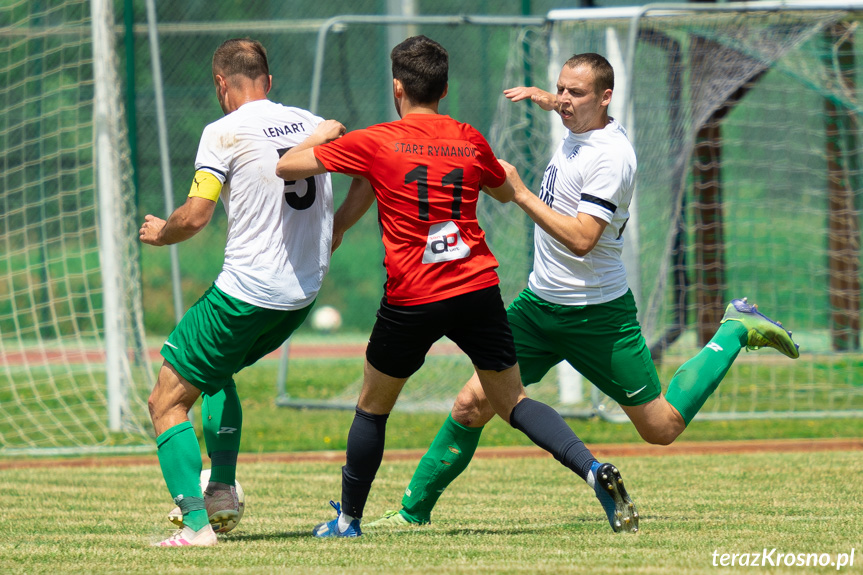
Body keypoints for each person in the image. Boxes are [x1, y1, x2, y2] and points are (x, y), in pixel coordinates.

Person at [362, 52, 801, 533]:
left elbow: (581, 238)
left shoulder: (610, 157)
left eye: (577, 93)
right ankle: (412, 512)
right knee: (471, 404)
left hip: (598, 315)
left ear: (607, 97)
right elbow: (570, 108)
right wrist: (551, 100)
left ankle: (734, 330)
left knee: (661, 428)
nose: (565, 101)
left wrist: (521, 193)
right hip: (537, 309)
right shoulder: (580, 125)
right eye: (562, 90)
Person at [276, 36, 637, 538]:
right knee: (512, 402)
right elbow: (496, 186)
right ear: (445, 89)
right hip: (475, 289)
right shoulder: (468, 138)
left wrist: (322, 134)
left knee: (372, 407)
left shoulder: (376, 139)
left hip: (412, 295)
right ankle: (593, 469)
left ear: (397, 87)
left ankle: (348, 520)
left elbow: (286, 165)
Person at [139, 37, 345, 547]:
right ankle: (223, 490)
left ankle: (194, 525)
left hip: (247, 293)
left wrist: (162, 231)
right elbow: (366, 176)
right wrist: (334, 231)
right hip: (300, 297)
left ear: (220, 84)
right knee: (215, 373)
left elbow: (197, 214)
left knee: (166, 399)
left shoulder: (223, 131)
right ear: (269, 82)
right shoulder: (310, 122)